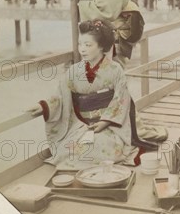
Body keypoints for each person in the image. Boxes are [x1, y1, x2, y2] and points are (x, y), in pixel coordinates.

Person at [29, 20, 138, 170]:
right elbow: (60, 95)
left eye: (88, 45)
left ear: (101, 46)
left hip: (108, 125)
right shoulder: (74, 71)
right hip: (81, 124)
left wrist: (106, 121)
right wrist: (44, 106)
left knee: (101, 145)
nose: (82, 49)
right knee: (68, 149)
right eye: (80, 44)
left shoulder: (115, 69)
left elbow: (122, 99)